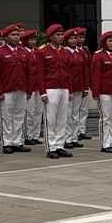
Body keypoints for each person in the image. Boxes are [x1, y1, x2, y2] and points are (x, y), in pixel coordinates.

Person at [36, 24, 73, 159]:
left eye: (61, 34)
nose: (60, 37)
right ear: (50, 36)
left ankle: (59, 145)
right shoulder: (43, 51)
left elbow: (68, 72)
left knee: (62, 118)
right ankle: (51, 146)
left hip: (63, 87)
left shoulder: (64, 51)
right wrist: (43, 92)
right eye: (57, 35)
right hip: (50, 88)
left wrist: (70, 90)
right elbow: (40, 73)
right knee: (50, 119)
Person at [0, 24, 31, 155]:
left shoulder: (23, 52)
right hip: (7, 89)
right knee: (6, 116)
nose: (16, 37)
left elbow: (28, 72)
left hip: (21, 88)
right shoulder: (0, 52)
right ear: (6, 37)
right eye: (13, 35)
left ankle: (17, 141)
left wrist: (28, 89)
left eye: (17, 35)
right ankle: (7, 143)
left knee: (19, 116)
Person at [92, 31, 112, 153]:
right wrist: (95, 92)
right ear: (104, 43)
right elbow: (96, 75)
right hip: (104, 90)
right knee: (106, 118)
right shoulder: (98, 56)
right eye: (110, 41)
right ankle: (105, 143)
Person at [21, 29, 43, 145]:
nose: (33, 42)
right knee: (29, 112)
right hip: (28, 85)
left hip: (38, 85)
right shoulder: (23, 51)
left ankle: (35, 134)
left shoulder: (38, 51)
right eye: (30, 40)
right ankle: (28, 135)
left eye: (34, 39)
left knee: (38, 112)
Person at [73, 28, 93, 142]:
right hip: (75, 83)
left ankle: (82, 130)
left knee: (84, 109)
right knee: (74, 111)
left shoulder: (85, 50)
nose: (80, 40)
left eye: (82, 37)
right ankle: (74, 133)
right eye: (78, 37)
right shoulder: (71, 51)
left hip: (84, 82)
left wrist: (89, 83)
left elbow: (88, 67)